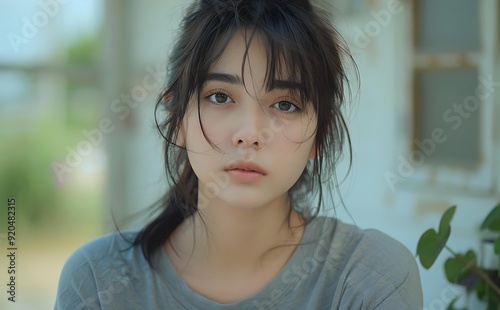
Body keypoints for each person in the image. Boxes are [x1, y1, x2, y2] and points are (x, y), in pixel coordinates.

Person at [54, 0, 423, 309]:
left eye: (285, 104)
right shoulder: (96, 283)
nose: (250, 134)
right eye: (220, 97)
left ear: (319, 134)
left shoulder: (369, 279)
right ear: (176, 117)